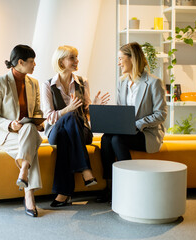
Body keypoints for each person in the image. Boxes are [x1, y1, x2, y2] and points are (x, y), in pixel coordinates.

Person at [97, 42, 167, 203]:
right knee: (106, 138)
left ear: (133, 59)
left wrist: (138, 124)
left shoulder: (153, 82)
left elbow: (161, 114)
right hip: (127, 131)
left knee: (117, 139)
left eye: (121, 58)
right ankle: (109, 187)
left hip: (147, 133)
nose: (118, 63)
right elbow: (122, 112)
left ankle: (130, 186)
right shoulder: (122, 82)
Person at [41, 45, 110, 207]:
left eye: (76, 57)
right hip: (54, 132)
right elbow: (49, 117)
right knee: (70, 116)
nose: (77, 61)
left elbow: (87, 114)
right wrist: (68, 109)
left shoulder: (82, 82)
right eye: (72, 57)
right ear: (61, 62)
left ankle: (64, 194)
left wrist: (95, 106)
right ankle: (85, 170)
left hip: (81, 132)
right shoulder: (48, 85)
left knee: (68, 135)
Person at [0, 45, 44, 217]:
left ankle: (23, 171)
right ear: (20, 62)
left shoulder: (33, 83)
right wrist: (11, 124)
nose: (34, 65)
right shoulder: (0, 82)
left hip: (28, 132)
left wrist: (39, 122)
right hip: (6, 134)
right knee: (30, 149)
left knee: (29, 128)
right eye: (32, 62)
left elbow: (37, 112)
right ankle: (29, 194)